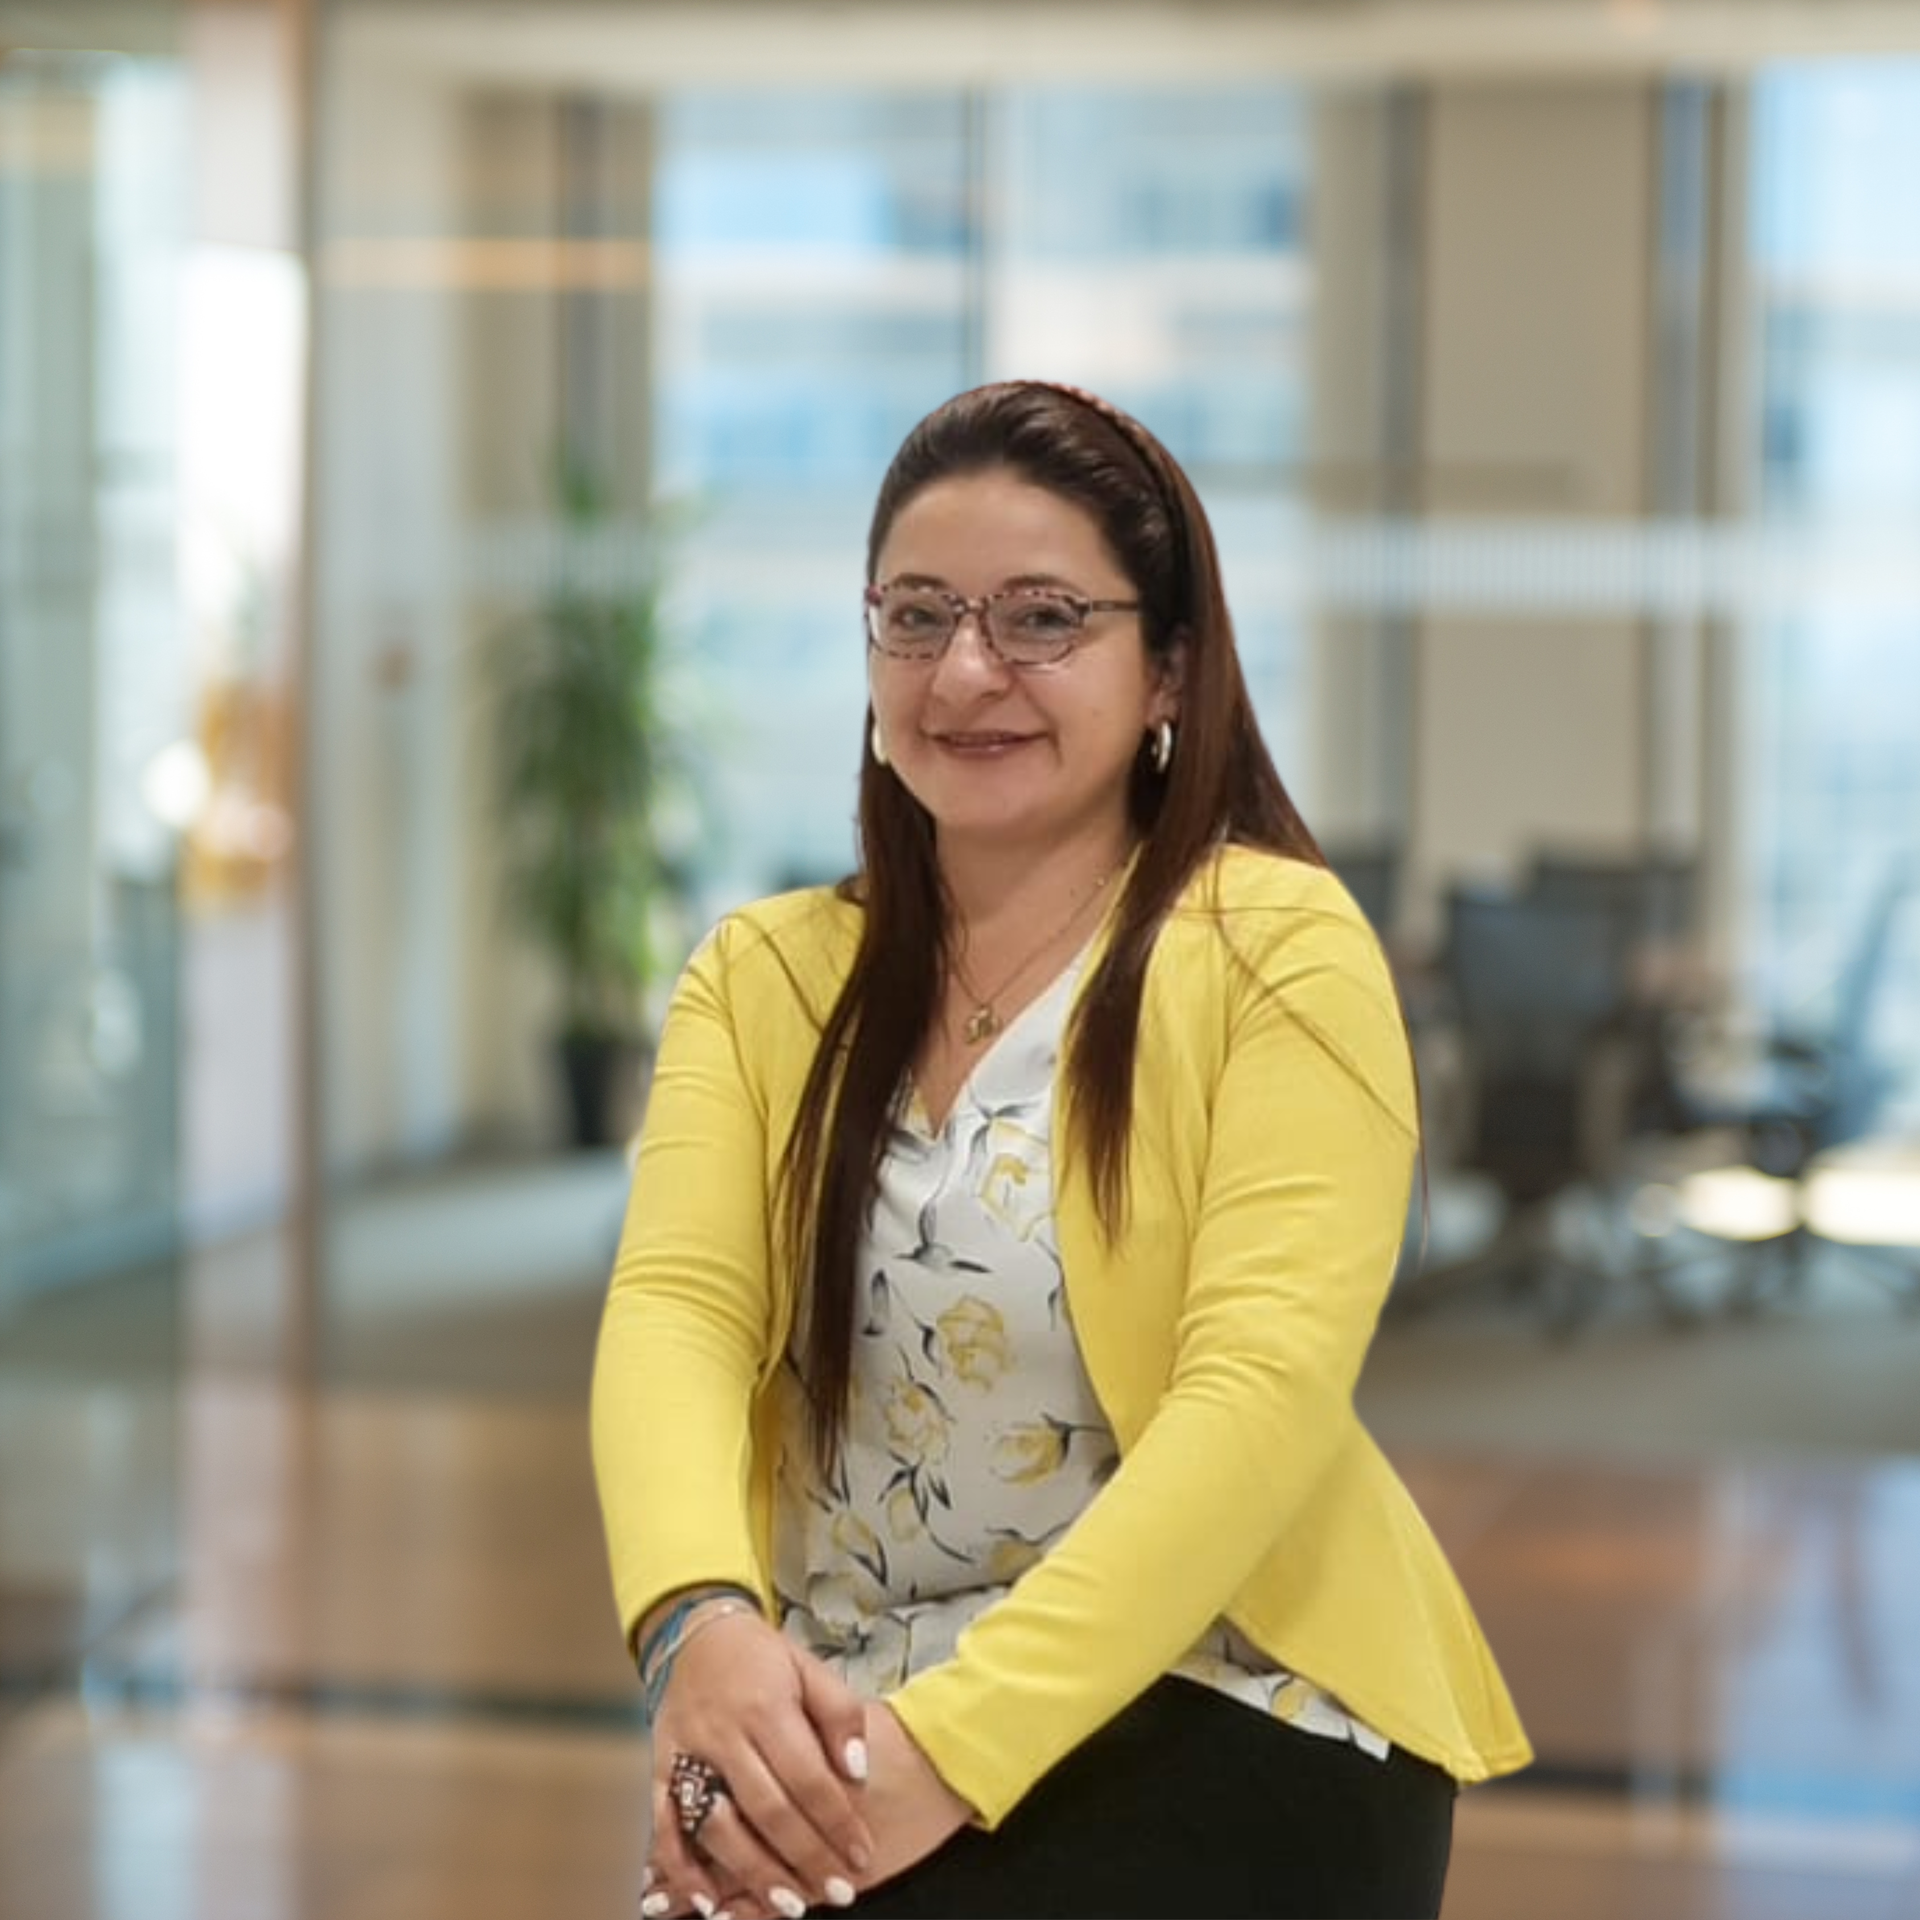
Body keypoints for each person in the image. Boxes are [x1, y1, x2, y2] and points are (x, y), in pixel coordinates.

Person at [591, 380, 1531, 1920]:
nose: (968, 670)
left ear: (1169, 670)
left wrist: (943, 1756)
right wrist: (699, 1633)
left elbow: (1258, 1396)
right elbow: (677, 1314)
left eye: (1042, 618)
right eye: (917, 616)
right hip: (853, 1699)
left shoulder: (1277, 950)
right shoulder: (762, 977)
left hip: (1219, 1689)